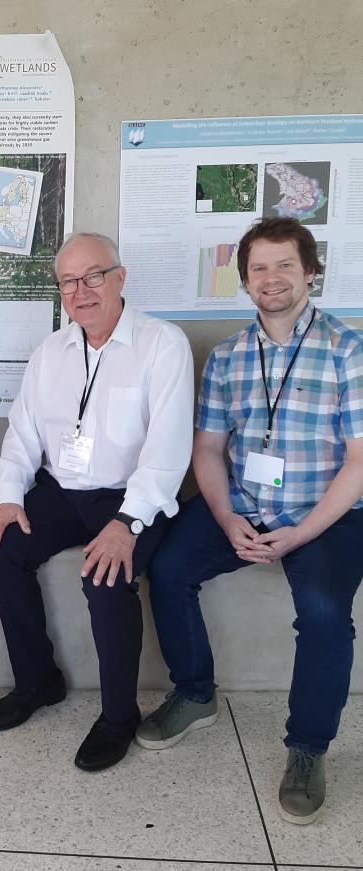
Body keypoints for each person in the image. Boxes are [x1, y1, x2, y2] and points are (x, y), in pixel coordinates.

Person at [137, 217, 363, 825]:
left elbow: (361, 464)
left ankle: (308, 748)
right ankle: (194, 694)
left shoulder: (348, 350)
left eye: (285, 264)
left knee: (322, 614)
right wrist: (225, 515)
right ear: (243, 280)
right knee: (166, 566)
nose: (272, 278)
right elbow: (207, 450)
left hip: (327, 514)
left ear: (311, 273)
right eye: (259, 267)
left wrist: (303, 532)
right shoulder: (230, 357)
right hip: (241, 505)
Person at [0, 232, 193, 771]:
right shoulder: (50, 352)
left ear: (120, 277)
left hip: (130, 494)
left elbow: (168, 451)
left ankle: (118, 715)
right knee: (1, 548)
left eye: (93, 275)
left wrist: (126, 521)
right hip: (60, 491)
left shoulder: (163, 344)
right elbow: (22, 434)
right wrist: (7, 498)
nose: (81, 290)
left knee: (105, 574)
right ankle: (38, 681)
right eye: (69, 281)